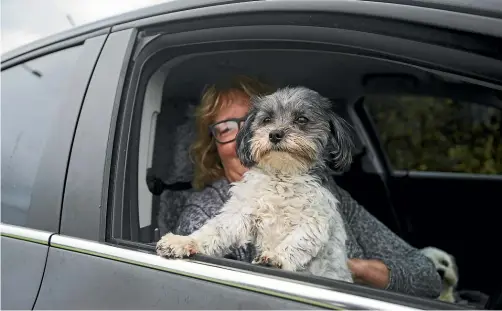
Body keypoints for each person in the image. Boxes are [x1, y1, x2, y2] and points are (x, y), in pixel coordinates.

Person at [173, 75, 442, 298]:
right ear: (213, 145)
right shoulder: (205, 212)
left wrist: (350, 270)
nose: (274, 132)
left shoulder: (330, 195)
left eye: (298, 120)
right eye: (226, 129)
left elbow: (427, 278)